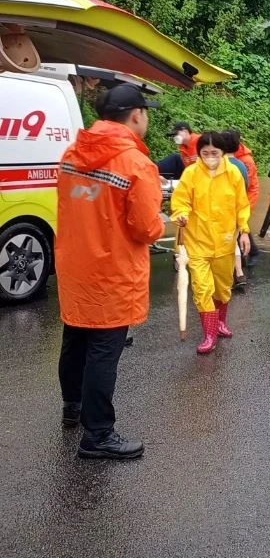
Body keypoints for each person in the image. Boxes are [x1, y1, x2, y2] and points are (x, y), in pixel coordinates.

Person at [55, 85, 165, 459]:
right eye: (145, 112)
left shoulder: (72, 152)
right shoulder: (135, 164)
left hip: (74, 264)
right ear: (135, 115)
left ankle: (73, 406)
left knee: (75, 338)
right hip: (113, 271)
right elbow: (146, 228)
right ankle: (98, 434)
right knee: (104, 350)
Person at [170, 132, 251, 354]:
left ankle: (220, 322)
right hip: (197, 241)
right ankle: (209, 335)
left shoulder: (233, 173)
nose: (210, 157)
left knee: (223, 287)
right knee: (202, 288)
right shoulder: (191, 174)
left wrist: (244, 231)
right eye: (205, 153)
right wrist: (182, 214)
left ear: (223, 153)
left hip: (224, 242)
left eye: (214, 153)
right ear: (199, 153)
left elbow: (241, 206)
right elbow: (181, 201)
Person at [223, 129, 261, 265]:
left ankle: (249, 253)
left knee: (240, 225)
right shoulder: (238, 158)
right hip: (244, 196)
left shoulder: (245, 161)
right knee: (240, 226)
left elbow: (246, 185)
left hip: (247, 197)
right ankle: (247, 254)